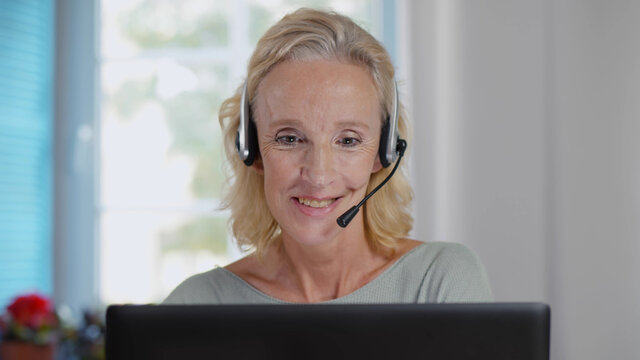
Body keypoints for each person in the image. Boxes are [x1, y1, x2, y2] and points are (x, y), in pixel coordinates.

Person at [164, 8, 492, 304]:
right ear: (252, 150)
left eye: (348, 141)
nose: (319, 176)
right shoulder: (198, 305)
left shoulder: (441, 282)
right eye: (290, 138)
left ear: (384, 152)